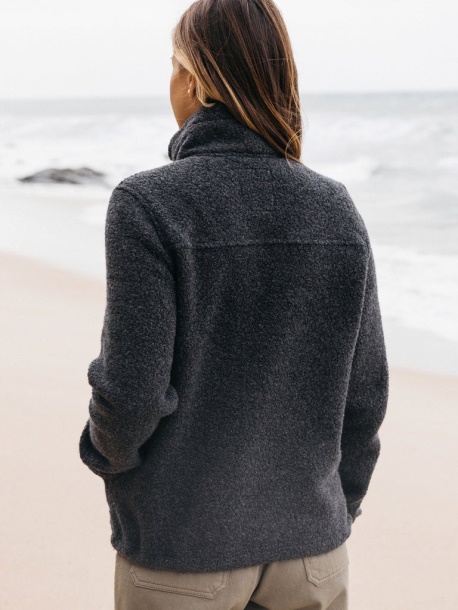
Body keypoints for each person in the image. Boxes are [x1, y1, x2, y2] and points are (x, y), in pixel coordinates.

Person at [78, 0, 389, 608]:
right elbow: (366, 396)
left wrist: (105, 453)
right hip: (313, 552)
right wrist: (336, 510)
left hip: (184, 546)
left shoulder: (149, 204)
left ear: (196, 78)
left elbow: (133, 390)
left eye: (174, 65)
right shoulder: (337, 207)